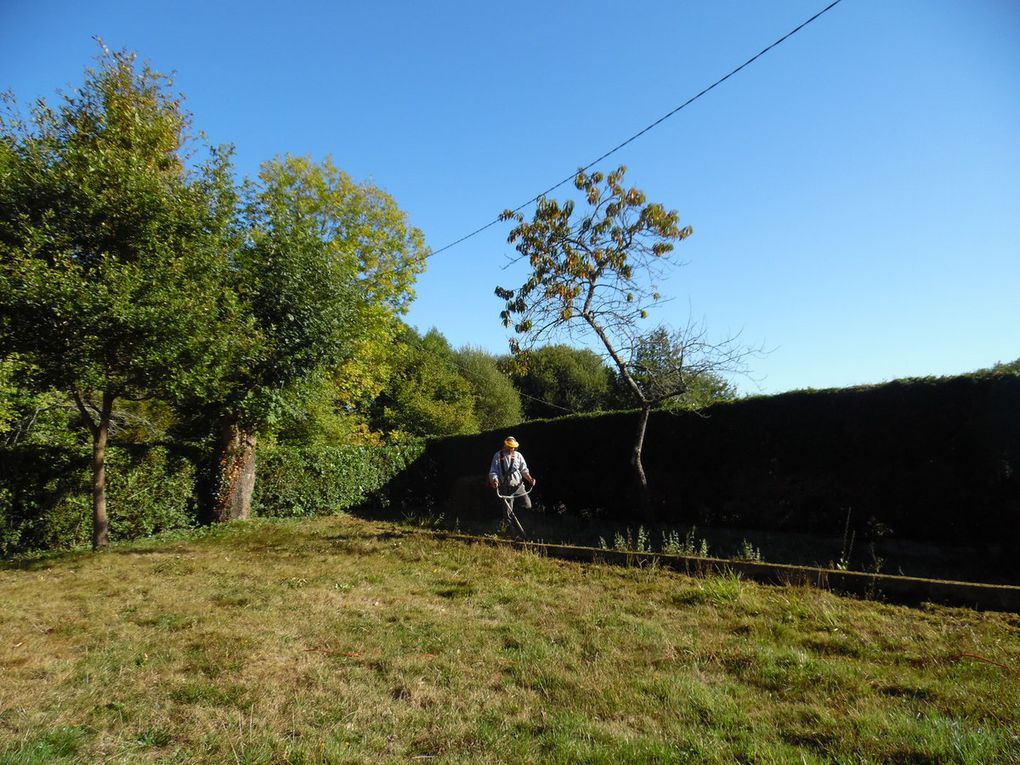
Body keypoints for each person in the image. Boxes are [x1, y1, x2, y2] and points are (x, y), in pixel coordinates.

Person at [488, 435, 536, 513]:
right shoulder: (498, 456)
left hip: (519, 487)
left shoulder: (518, 456)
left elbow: (524, 470)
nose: (511, 448)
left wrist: (530, 479)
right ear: (505, 445)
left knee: (527, 505)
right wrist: (495, 480)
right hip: (506, 488)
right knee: (508, 512)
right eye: (509, 446)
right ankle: (508, 524)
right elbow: (493, 471)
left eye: (513, 447)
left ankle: (520, 519)